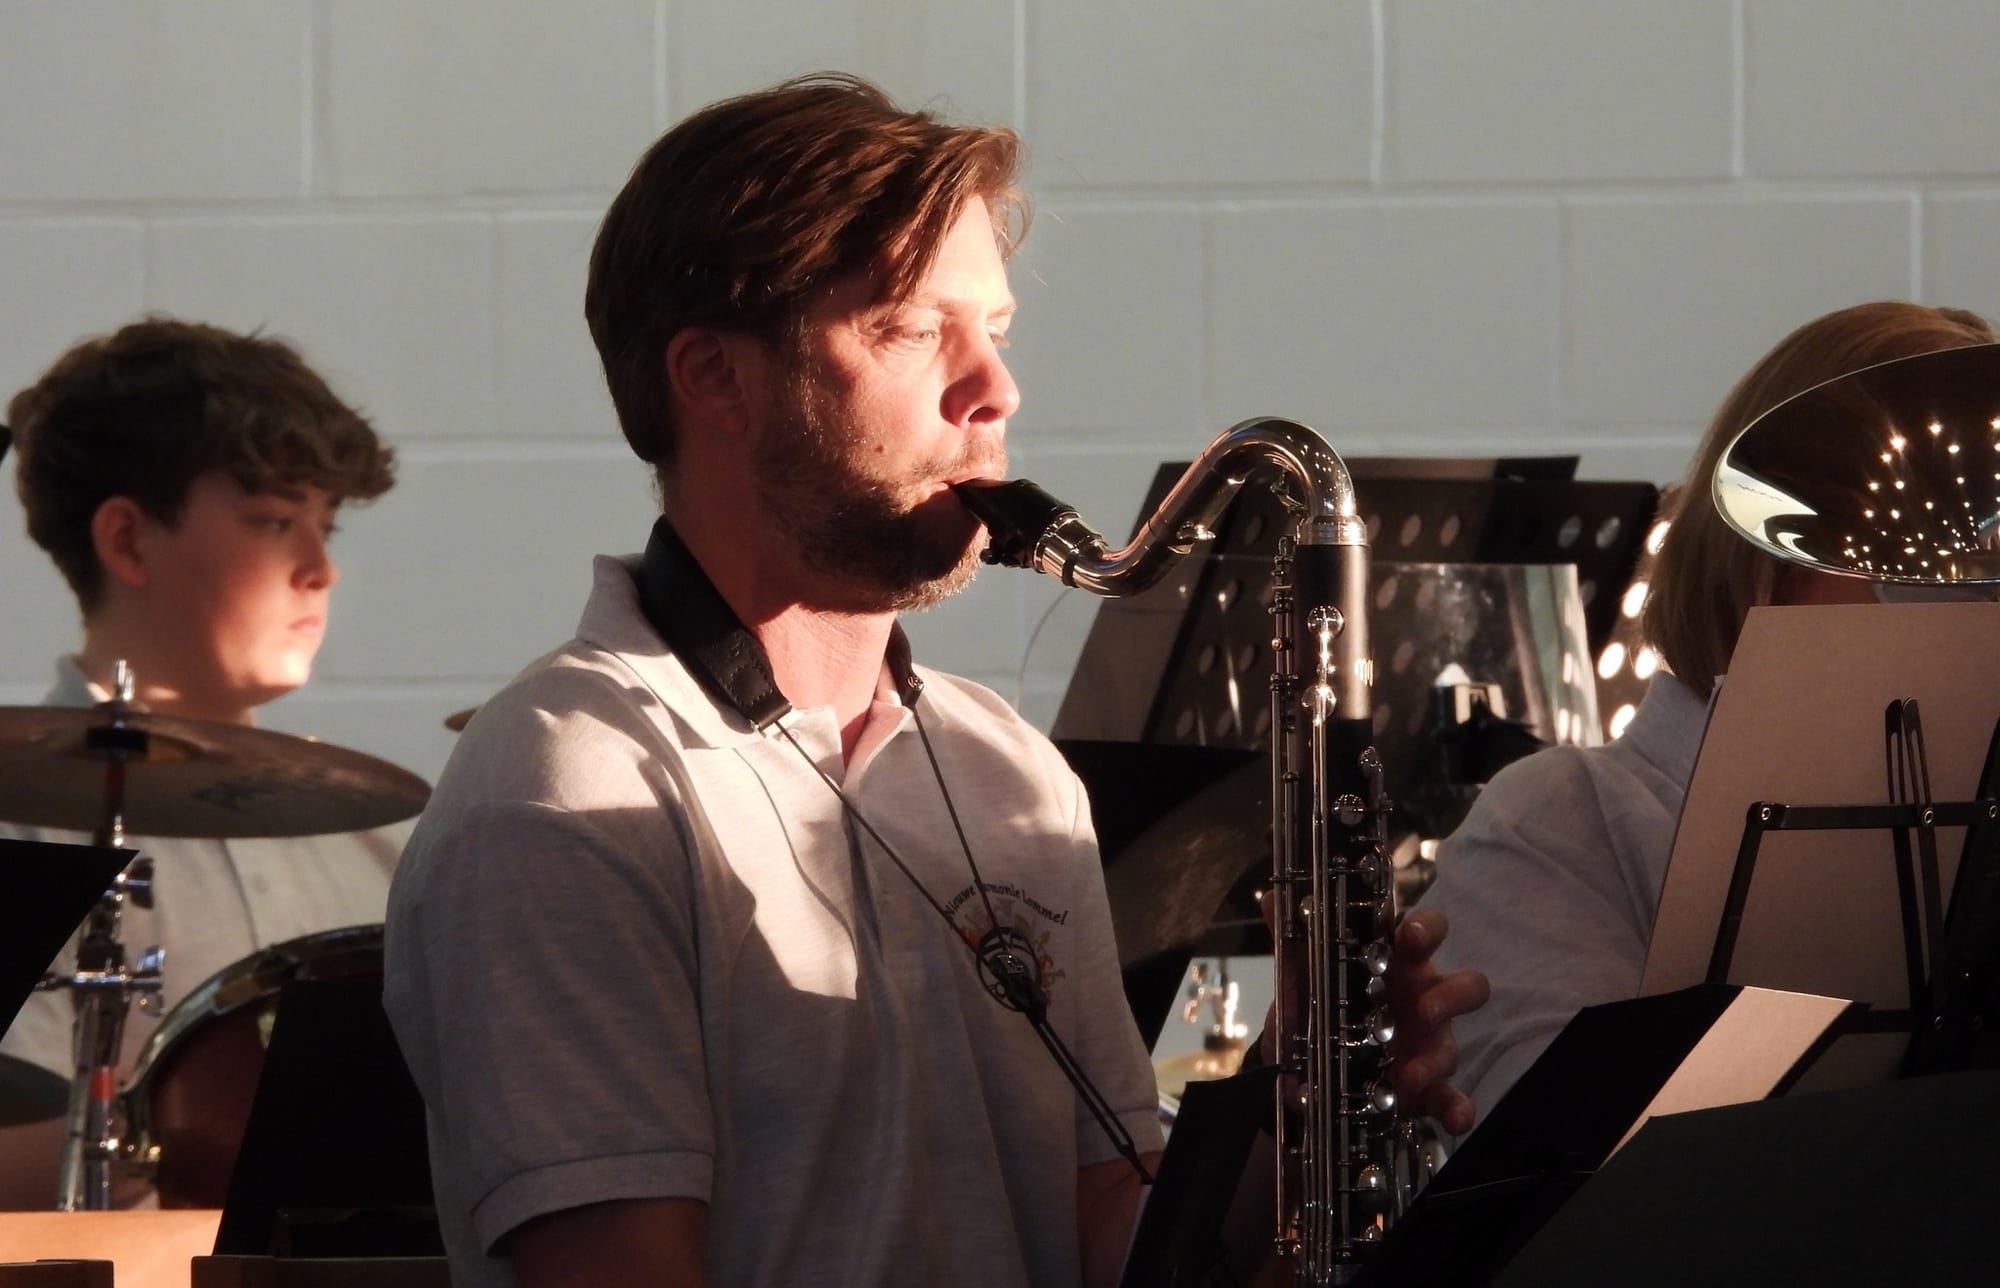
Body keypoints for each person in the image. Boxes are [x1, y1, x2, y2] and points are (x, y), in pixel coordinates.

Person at [384, 73, 1486, 1288]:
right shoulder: (569, 786)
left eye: (994, 330)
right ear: (714, 377)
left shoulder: (1002, 764)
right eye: (911, 329)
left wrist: (1287, 1114)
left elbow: (1104, 1226)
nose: (995, 390)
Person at [1420, 301, 2000, 1121]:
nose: (1965, 608)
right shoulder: (1562, 818)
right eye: (1907, 559)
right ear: (1763, 560)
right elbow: (1565, 1167)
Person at [0, 316, 403, 1205]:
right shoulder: (20, 832)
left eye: (327, 525)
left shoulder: (386, 842)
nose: (321, 569)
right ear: (128, 540)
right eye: (274, 521)